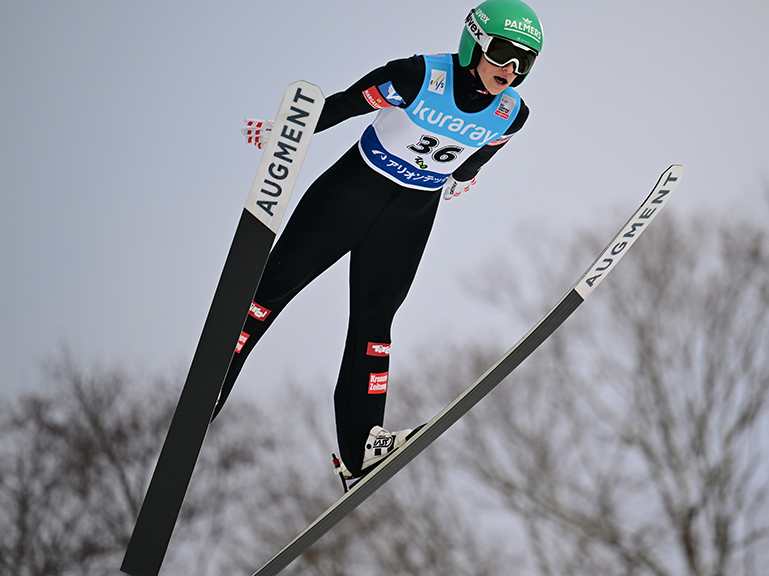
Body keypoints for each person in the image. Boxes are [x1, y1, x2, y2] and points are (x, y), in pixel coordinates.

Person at [212, 0, 544, 480]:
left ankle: (360, 447)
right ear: (474, 42)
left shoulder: (513, 114)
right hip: (353, 193)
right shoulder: (417, 77)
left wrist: (464, 175)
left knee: (375, 325)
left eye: (524, 63)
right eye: (502, 54)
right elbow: (348, 103)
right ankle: (215, 382)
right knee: (271, 291)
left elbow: (477, 156)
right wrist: (289, 132)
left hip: (409, 217)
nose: (510, 71)